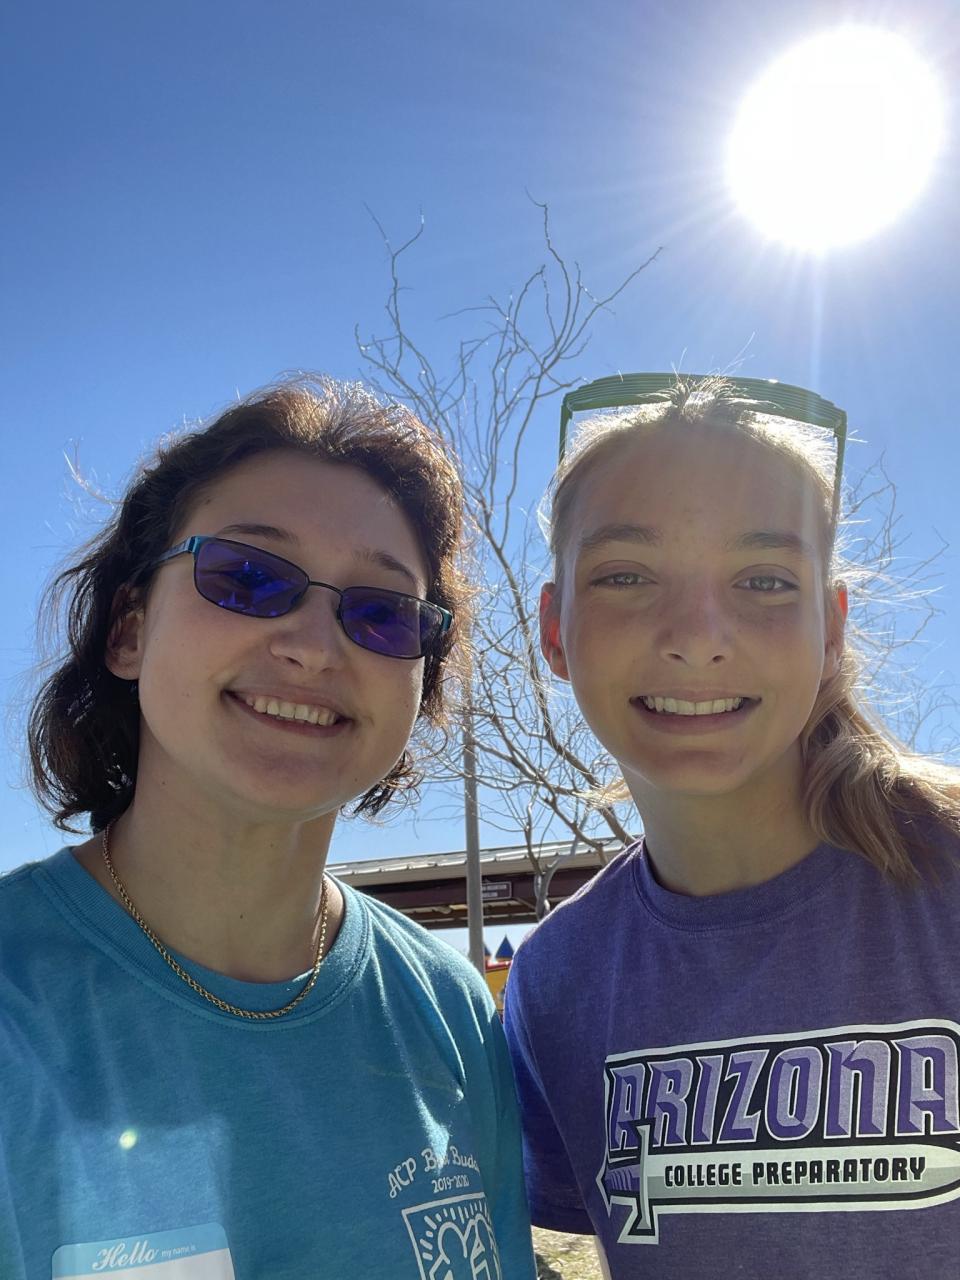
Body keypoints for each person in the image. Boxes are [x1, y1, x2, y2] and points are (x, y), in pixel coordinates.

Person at [1, 377, 536, 1279]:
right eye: (247, 578)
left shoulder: (447, 1008)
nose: (315, 647)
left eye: (381, 612)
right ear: (129, 629)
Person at [503, 376, 960, 1279]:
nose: (698, 635)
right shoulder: (556, 982)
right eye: (626, 576)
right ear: (555, 630)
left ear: (830, 631)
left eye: (764, 581)